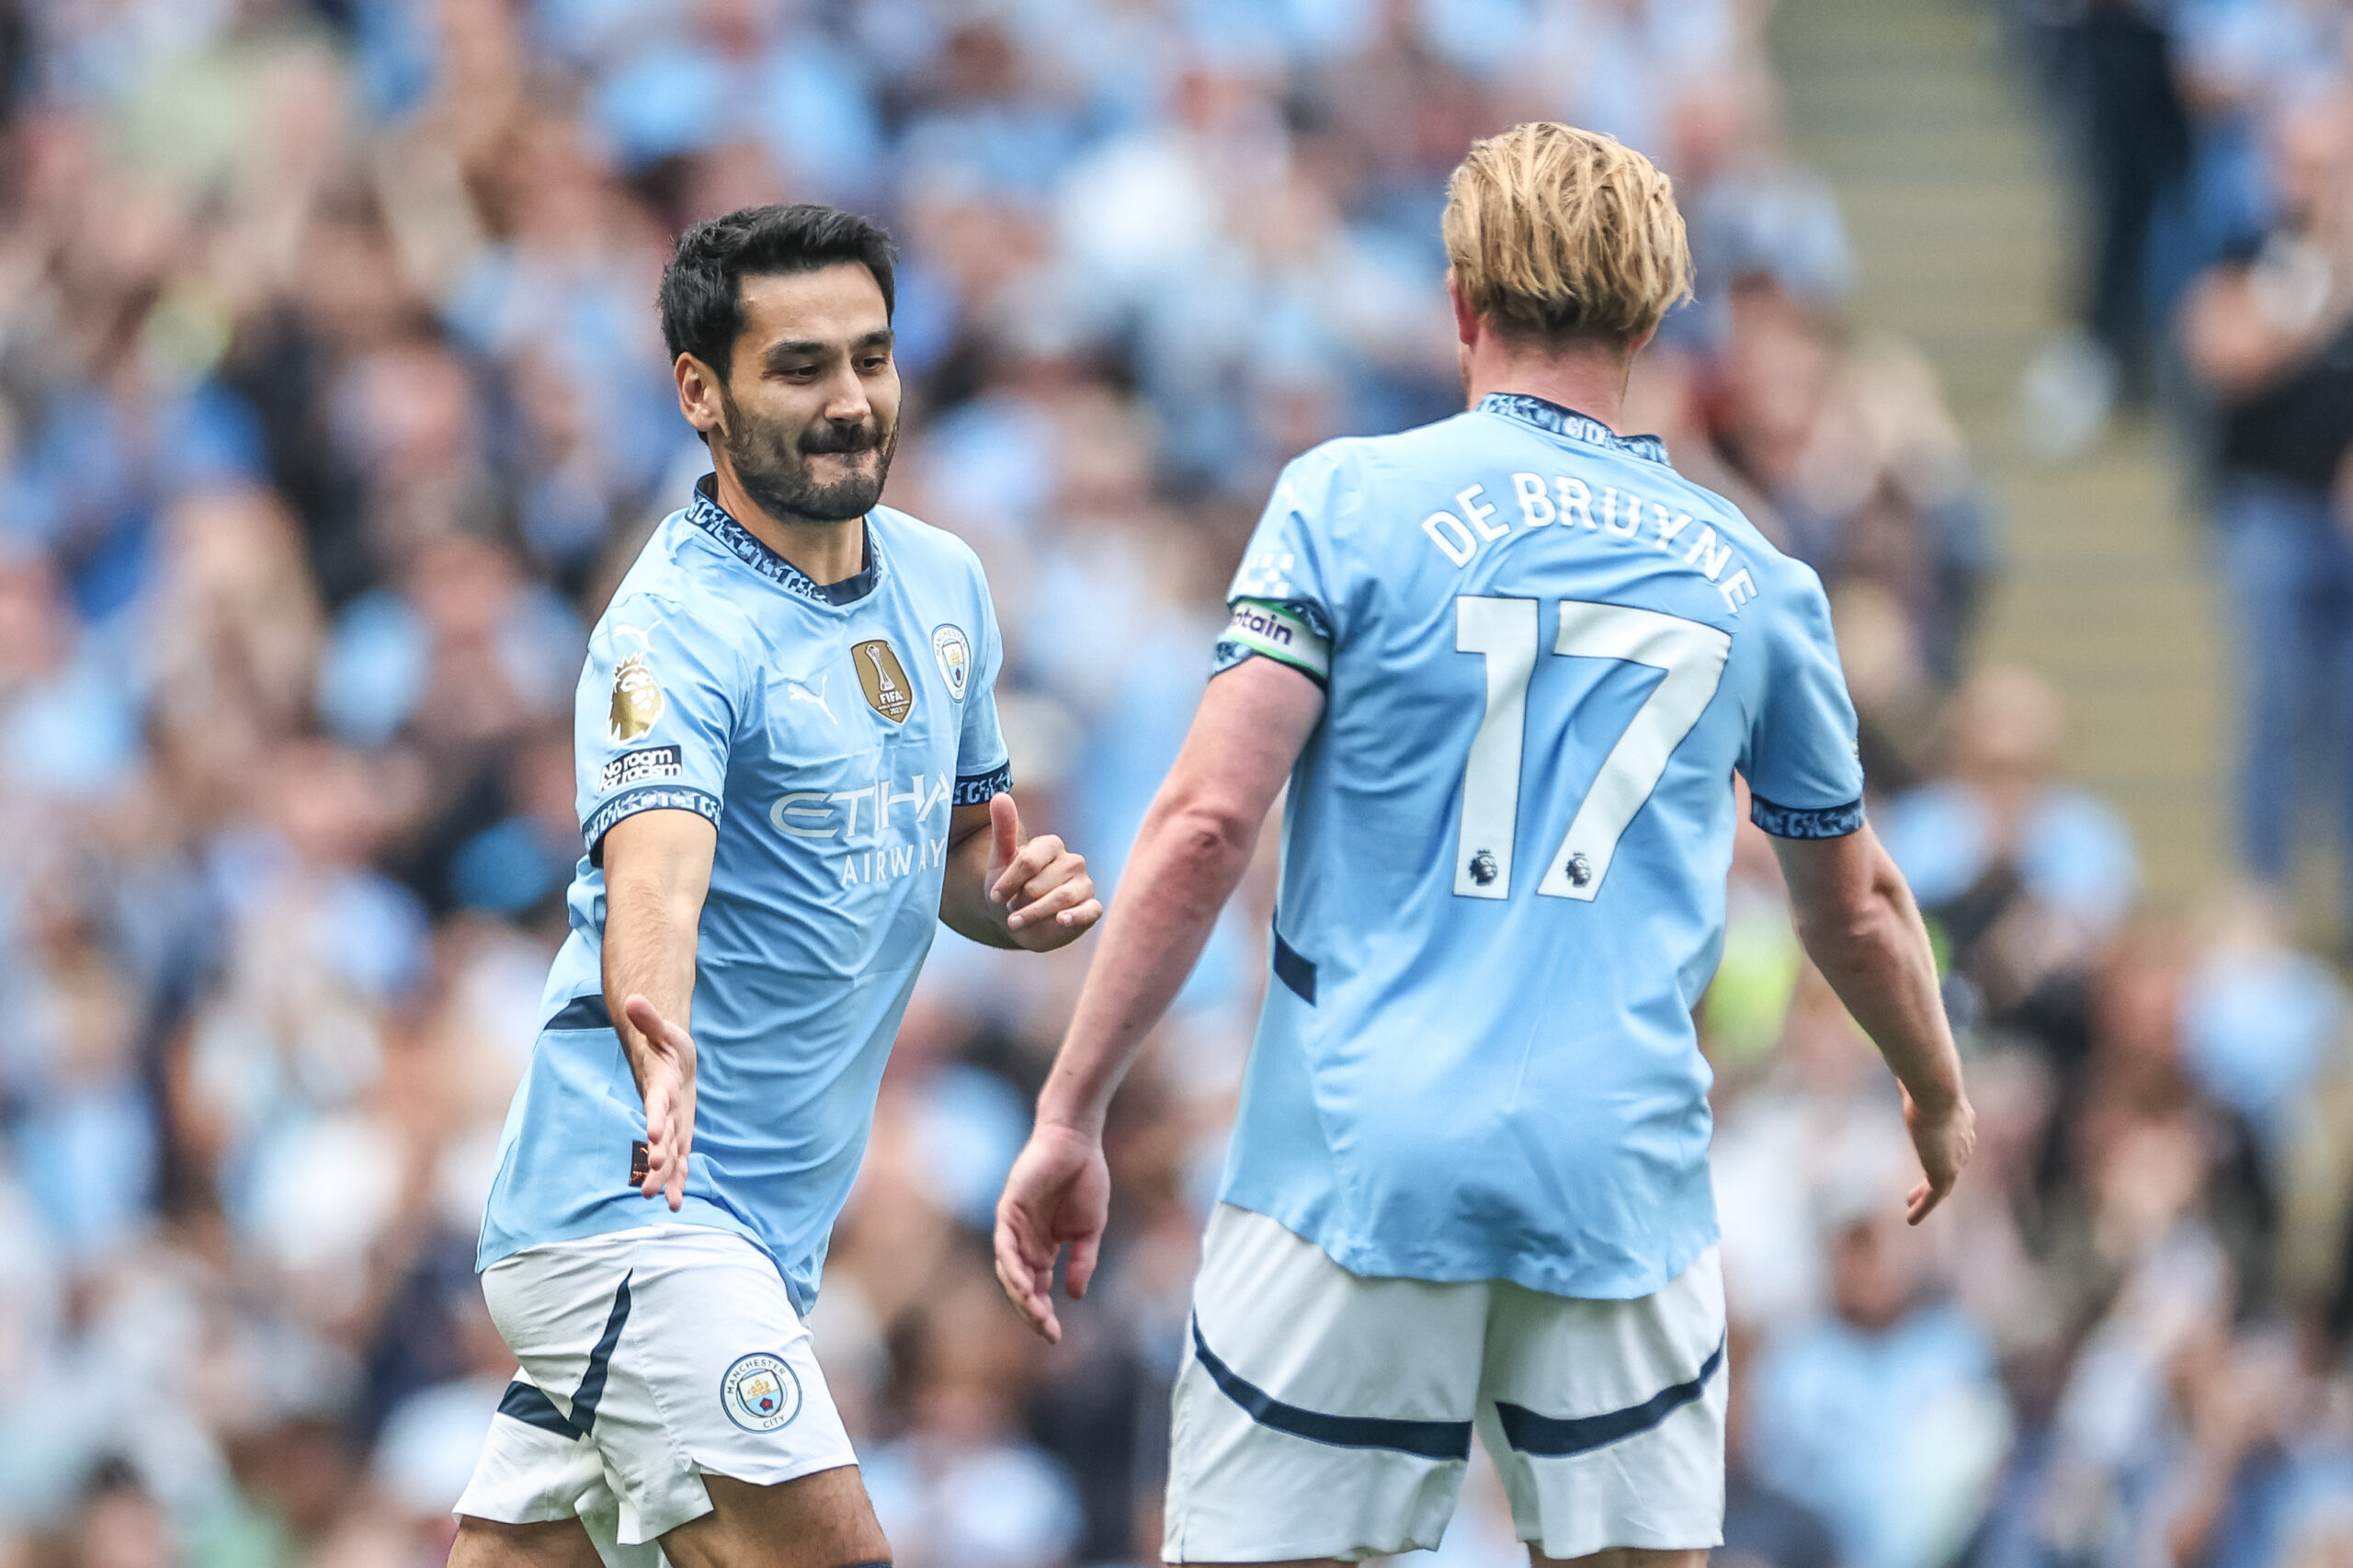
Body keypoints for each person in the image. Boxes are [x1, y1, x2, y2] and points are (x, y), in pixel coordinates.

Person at [992, 124, 1974, 1565]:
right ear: (1648, 322)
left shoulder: (1347, 503)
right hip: (1618, 1174)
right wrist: (1935, 1088)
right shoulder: (1760, 580)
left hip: (1357, 1160)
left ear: (1461, 299)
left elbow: (1207, 820)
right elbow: (1862, 905)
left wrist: (1072, 1109)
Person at [447, 204, 1101, 1568]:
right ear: (701, 389)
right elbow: (660, 877)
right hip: (638, 1206)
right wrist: (657, 1025)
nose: (853, 401)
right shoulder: (670, 629)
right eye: (801, 367)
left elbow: (956, 850)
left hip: (745, 1239)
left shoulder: (947, 582)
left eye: (872, 357)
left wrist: (1010, 896)